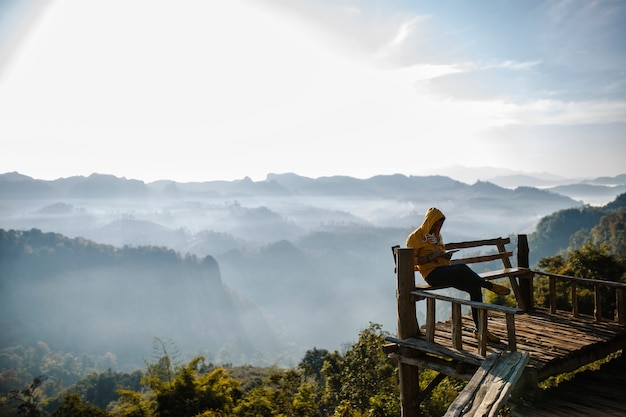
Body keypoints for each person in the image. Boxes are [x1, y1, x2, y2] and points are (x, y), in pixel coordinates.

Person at [406, 207, 510, 343]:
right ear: (428, 221)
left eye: (440, 225)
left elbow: (440, 253)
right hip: (432, 275)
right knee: (461, 268)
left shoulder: (437, 236)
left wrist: (445, 256)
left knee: (474, 289)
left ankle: (481, 330)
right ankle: (489, 285)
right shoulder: (416, 237)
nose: (438, 227)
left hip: (444, 271)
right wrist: (430, 258)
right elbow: (408, 260)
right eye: (436, 224)